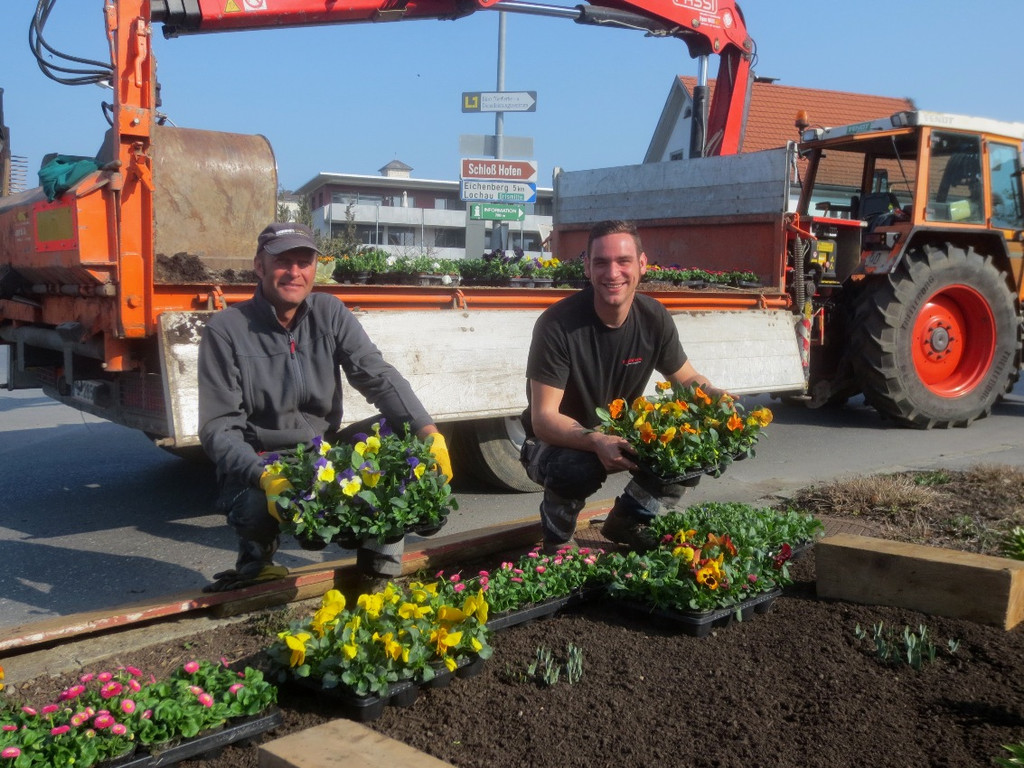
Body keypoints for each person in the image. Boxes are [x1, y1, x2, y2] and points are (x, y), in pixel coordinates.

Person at [198, 221, 452, 592]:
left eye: (304, 262)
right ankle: (256, 563)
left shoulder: (328, 312)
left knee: (400, 438)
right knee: (253, 502)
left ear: (315, 268)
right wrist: (263, 475)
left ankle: (378, 570)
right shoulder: (227, 330)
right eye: (283, 261)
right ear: (259, 266)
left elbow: (377, 376)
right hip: (264, 457)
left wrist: (429, 433)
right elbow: (218, 427)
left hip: (321, 452)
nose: (294, 272)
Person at [521, 219, 726, 554]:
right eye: (601, 262)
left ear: (642, 264)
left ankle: (630, 518)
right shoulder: (557, 325)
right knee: (576, 468)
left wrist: (714, 395)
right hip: (553, 444)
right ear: (587, 268)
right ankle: (557, 541)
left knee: (695, 444)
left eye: (623, 261)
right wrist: (597, 440)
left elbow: (687, 379)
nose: (612, 273)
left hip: (619, 434)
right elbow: (544, 419)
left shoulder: (653, 317)